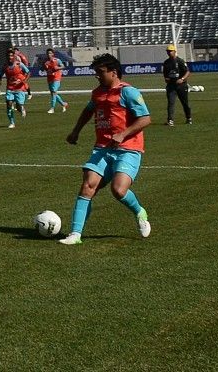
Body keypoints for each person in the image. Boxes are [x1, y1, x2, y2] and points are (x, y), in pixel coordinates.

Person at [58, 53, 152, 245]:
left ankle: (139, 212)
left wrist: (123, 134)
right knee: (88, 186)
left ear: (113, 72)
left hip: (128, 149)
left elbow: (145, 119)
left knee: (118, 190)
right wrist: (75, 131)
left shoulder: (128, 92)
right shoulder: (98, 93)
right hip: (102, 148)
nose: (97, 75)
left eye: (100, 72)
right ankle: (75, 234)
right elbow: (88, 110)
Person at [0, 50, 30, 129]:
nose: (10, 57)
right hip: (10, 88)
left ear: (14, 57)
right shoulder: (5, 66)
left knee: (18, 106)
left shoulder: (19, 64)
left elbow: (28, 72)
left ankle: (21, 108)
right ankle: (12, 123)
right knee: (9, 104)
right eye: (8, 56)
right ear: (6, 57)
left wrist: (25, 81)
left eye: (11, 56)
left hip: (19, 88)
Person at [160, 45, 191, 126]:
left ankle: (189, 118)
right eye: (168, 51)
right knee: (171, 103)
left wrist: (182, 79)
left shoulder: (180, 61)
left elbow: (187, 72)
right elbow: (165, 73)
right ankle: (170, 120)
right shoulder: (166, 62)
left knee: (185, 103)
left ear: (174, 51)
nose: (169, 53)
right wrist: (166, 79)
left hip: (181, 86)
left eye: (170, 51)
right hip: (171, 86)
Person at [40, 48, 68, 114]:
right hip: (49, 78)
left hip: (56, 78)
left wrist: (57, 68)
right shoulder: (45, 61)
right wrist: (43, 67)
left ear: (53, 54)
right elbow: (42, 69)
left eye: (50, 53)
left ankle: (52, 108)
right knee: (53, 93)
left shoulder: (57, 60)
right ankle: (63, 104)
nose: (49, 54)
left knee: (54, 92)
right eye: (47, 53)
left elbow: (63, 66)